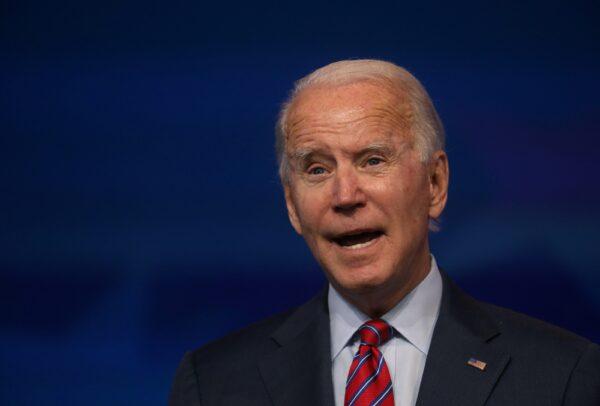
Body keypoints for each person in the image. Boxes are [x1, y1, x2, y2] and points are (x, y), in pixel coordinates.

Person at [168, 59, 600, 406]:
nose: (345, 195)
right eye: (317, 169)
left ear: (435, 184)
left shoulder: (564, 375)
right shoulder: (211, 384)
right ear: (291, 206)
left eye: (373, 160)